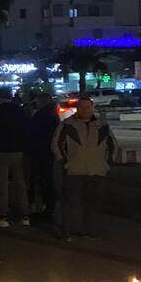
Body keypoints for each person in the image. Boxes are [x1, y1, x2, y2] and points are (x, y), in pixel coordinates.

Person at [52, 96, 117, 241]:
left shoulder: (102, 126)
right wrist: (65, 163)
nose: (85, 110)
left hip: (96, 171)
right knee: (70, 203)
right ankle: (67, 232)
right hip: (74, 171)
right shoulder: (67, 124)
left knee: (92, 204)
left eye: (88, 107)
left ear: (92, 108)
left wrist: (106, 164)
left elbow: (112, 146)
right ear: (78, 108)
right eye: (82, 107)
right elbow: (56, 144)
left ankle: (90, 231)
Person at [0, 86, 30, 227]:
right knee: (20, 183)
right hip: (18, 151)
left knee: (2, 185)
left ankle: (3, 215)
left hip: (1, 151)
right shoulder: (19, 110)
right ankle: (25, 215)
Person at [28, 93, 60, 223]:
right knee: (47, 181)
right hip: (48, 153)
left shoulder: (42, 116)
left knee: (44, 182)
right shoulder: (52, 115)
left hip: (41, 153)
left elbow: (33, 133)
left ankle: (47, 210)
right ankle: (48, 208)